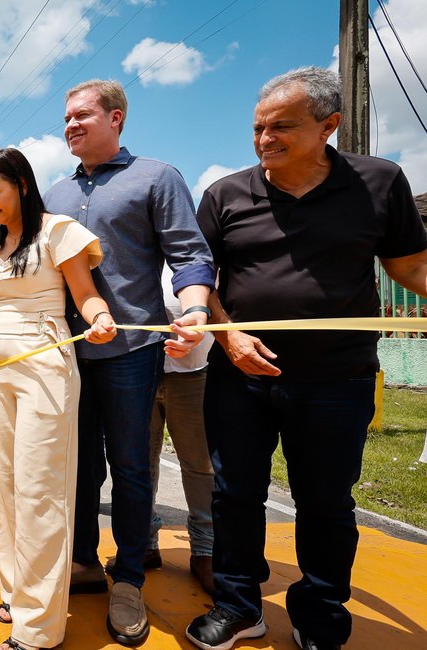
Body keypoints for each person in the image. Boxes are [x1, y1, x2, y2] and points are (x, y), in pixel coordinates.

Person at [185, 67, 427, 650]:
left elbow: (409, 266)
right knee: (235, 493)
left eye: (281, 127)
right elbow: (202, 276)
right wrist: (228, 337)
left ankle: (320, 613)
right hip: (239, 375)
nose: (265, 139)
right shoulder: (226, 193)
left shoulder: (380, 182)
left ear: (329, 126)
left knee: (326, 501)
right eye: (258, 127)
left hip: (338, 377)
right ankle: (240, 604)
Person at [42, 79, 214, 645]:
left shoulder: (158, 178)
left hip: (132, 355)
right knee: (78, 468)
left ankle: (130, 579)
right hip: (67, 354)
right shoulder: (53, 197)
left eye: (82, 115)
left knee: (133, 468)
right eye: (66, 117)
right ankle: (85, 562)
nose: (70, 125)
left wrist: (192, 311)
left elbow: (189, 254)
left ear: (116, 118)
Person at [0, 147, 115, 650]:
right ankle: (18, 590)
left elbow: (84, 294)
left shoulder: (58, 231)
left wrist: (100, 319)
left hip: (45, 364)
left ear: (22, 184)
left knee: (41, 488)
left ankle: (40, 630)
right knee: (3, 485)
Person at [145, 268, 215, 596]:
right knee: (139, 463)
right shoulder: (138, 242)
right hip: (140, 369)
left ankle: (205, 551)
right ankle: (143, 543)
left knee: (199, 464)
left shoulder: (201, 251)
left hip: (194, 371)